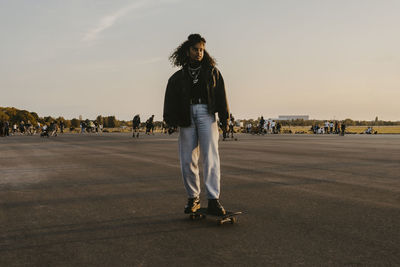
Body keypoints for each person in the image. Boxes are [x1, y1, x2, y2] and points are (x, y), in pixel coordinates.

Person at [163, 33, 229, 216]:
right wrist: (170, 121)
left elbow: (222, 96)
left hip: (207, 113)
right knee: (187, 159)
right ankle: (193, 198)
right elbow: (170, 100)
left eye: (201, 50)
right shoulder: (177, 77)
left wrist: (225, 119)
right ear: (187, 51)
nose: (199, 52)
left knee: (211, 157)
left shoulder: (212, 72)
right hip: (186, 115)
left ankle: (213, 199)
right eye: (195, 49)